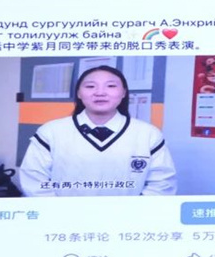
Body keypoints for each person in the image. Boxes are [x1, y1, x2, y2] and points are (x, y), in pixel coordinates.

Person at [15, 66, 177, 197]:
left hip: (127, 221)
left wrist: (131, 215)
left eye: (111, 86)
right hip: (64, 219)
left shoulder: (148, 134)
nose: (100, 92)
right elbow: (34, 180)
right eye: (90, 86)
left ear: (123, 93)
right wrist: (62, 215)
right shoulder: (51, 132)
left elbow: (162, 183)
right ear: (79, 93)